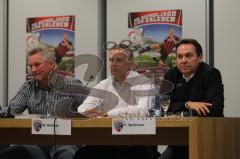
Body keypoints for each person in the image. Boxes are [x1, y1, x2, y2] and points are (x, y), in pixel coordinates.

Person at [76, 41, 160, 159]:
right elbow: (82, 109)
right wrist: (93, 111)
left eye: (119, 60)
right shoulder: (104, 84)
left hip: (137, 141)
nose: (113, 64)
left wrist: (109, 114)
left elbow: (144, 110)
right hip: (108, 141)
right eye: (111, 60)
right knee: (82, 155)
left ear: (130, 64)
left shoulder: (144, 83)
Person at [2, 44, 87, 159]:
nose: (33, 70)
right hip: (36, 143)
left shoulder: (72, 85)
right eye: (30, 66)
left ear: (51, 64)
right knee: (16, 152)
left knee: (66, 155)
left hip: (65, 142)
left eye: (37, 65)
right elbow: (11, 112)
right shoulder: (28, 87)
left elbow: (92, 108)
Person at [160, 38, 224, 159]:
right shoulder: (171, 75)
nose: (183, 60)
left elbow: (215, 109)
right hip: (179, 141)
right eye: (180, 56)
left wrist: (175, 110)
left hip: (207, 138)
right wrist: (187, 104)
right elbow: (160, 106)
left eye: (188, 56)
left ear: (200, 58)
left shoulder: (211, 74)